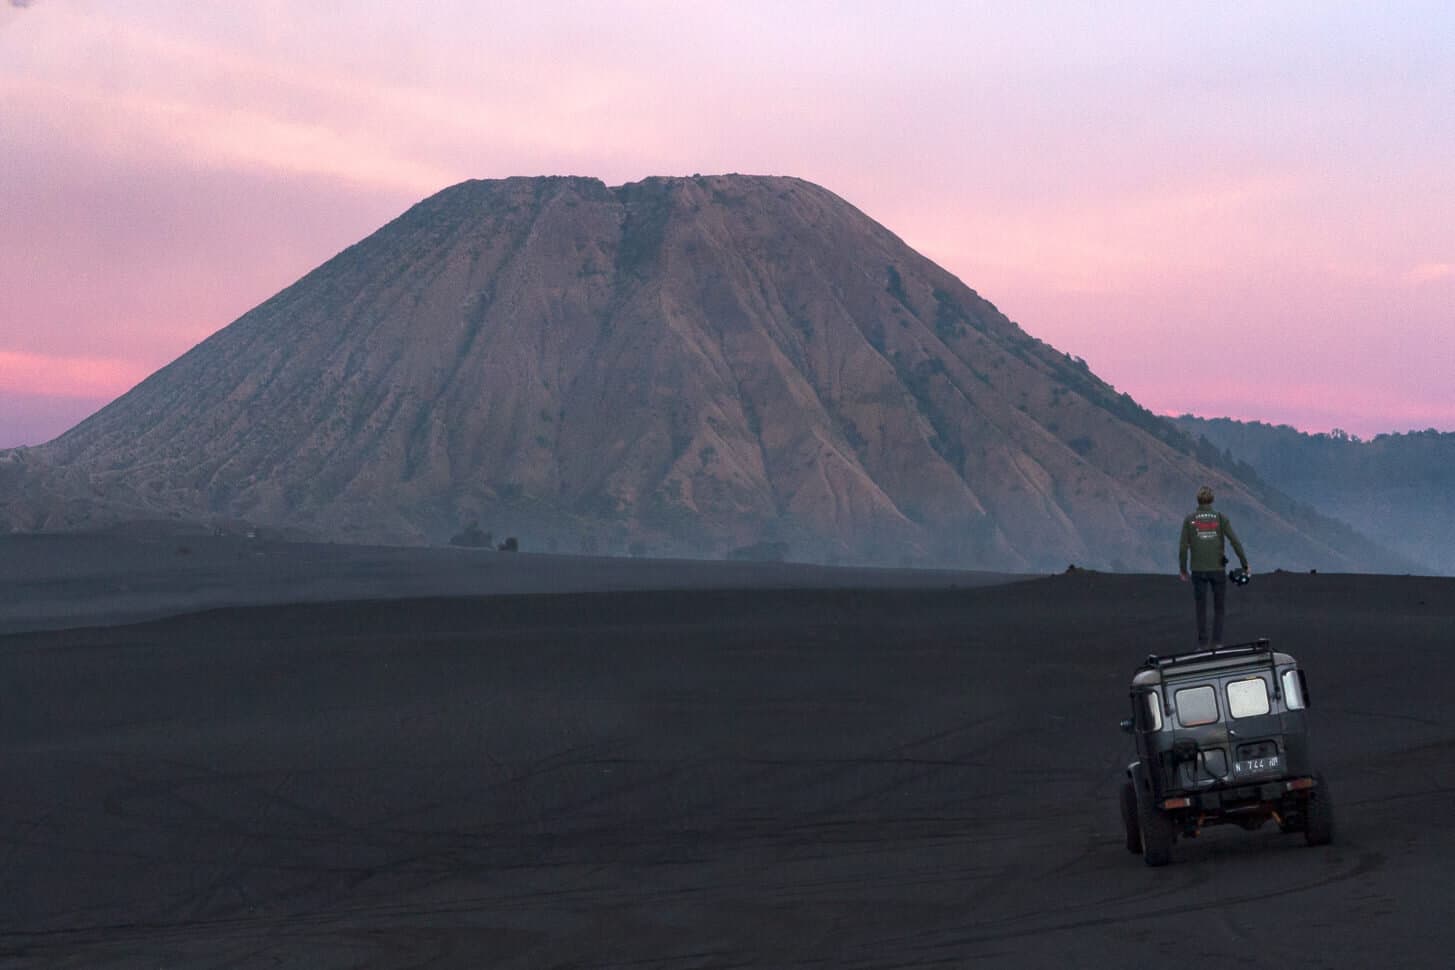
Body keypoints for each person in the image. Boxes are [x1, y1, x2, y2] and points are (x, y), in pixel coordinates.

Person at [1178, 485, 1249, 648]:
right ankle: (1217, 642)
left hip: (1198, 570)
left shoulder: (1190, 520)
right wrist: (1245, 564)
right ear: (1212, 500)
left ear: (1198, 500)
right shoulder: (1220, 518)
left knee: (1201, 607)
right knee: (1219, 607)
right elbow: (1235, 541)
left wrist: (1183, 569)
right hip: (1217, 569)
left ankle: (1202, 643)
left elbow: (1183, 547)